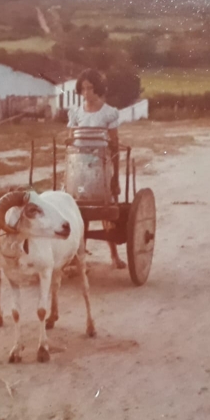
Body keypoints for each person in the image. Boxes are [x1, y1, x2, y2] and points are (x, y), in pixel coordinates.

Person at [67, 68, 127, 269]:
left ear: (98, 89)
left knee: (105, 212)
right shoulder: (76, 113)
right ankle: (78, 258)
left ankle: (114, 256)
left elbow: (115, 145)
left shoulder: (108, 112)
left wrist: (115, 177)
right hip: (79, 169)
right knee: (78, 212)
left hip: (101, 168)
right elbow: (70, 142)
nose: (86, 93)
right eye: (83, 89)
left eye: (90, 88)